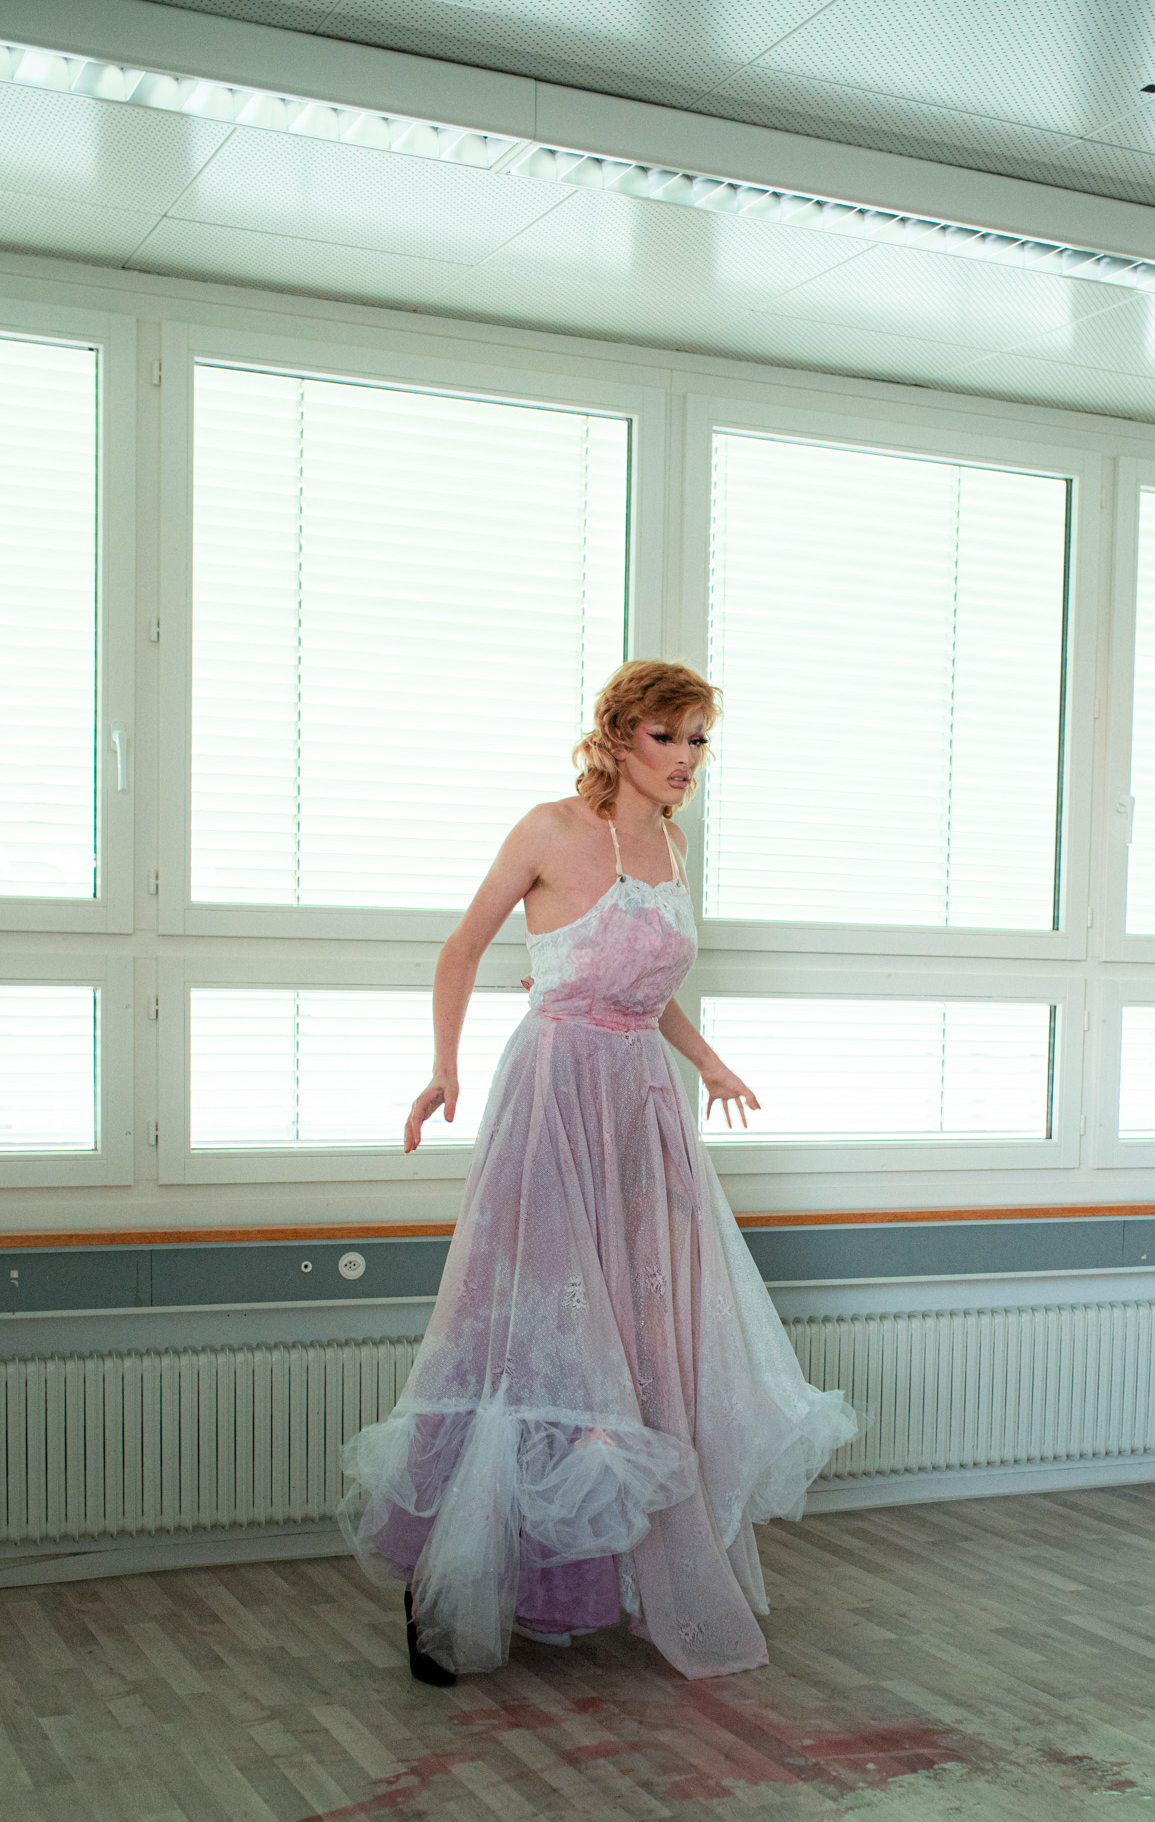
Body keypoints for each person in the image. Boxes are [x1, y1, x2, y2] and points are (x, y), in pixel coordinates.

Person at [340, 660, 857, 1686]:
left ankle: (584, 1581)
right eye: (669, 735)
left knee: (630, 1332)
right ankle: (444, 1586)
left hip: (639, 1102)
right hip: (554, 1092)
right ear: (620, 736)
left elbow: (645, 988)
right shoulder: (548, 829)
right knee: (527, 1324)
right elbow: (461, 950)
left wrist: (707, 1061)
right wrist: (442, 1067)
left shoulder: (671, 843)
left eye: (700, 739)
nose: (687, 758)